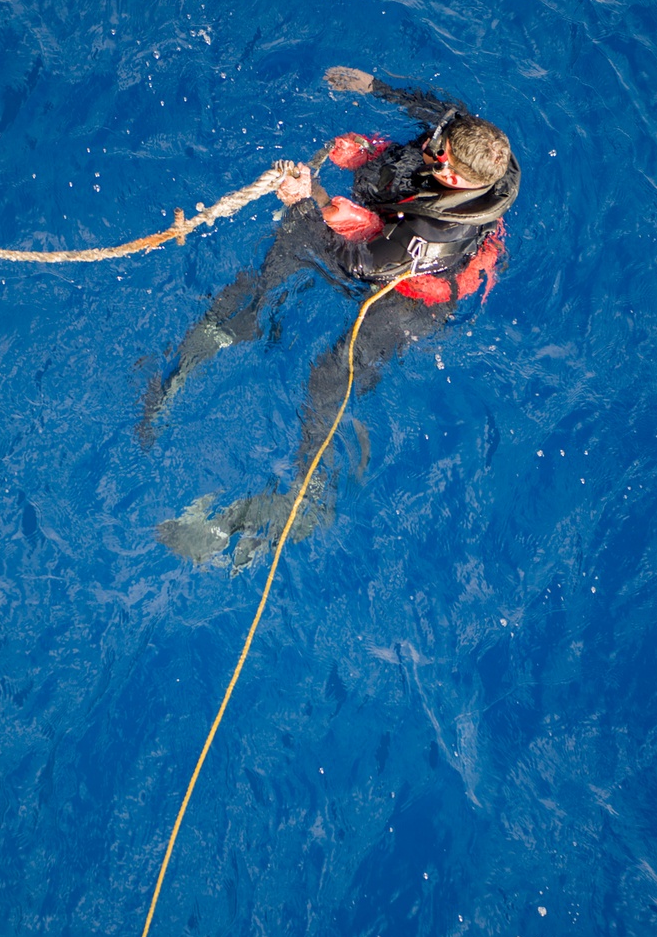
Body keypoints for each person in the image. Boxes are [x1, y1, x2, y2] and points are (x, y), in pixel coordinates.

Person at [147, 67, 520, 568]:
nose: (431, 147)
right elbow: (434, 108)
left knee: (329, 375)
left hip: (410, 293)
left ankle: (307, 499)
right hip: (391, 234)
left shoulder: (430, 235)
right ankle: (232, 323)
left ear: (452, 176)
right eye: (438, 141)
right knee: (280, 254)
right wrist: (373, 88)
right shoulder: (469, 137)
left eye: (438, 154)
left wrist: (311, 201)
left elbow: (359, 264)